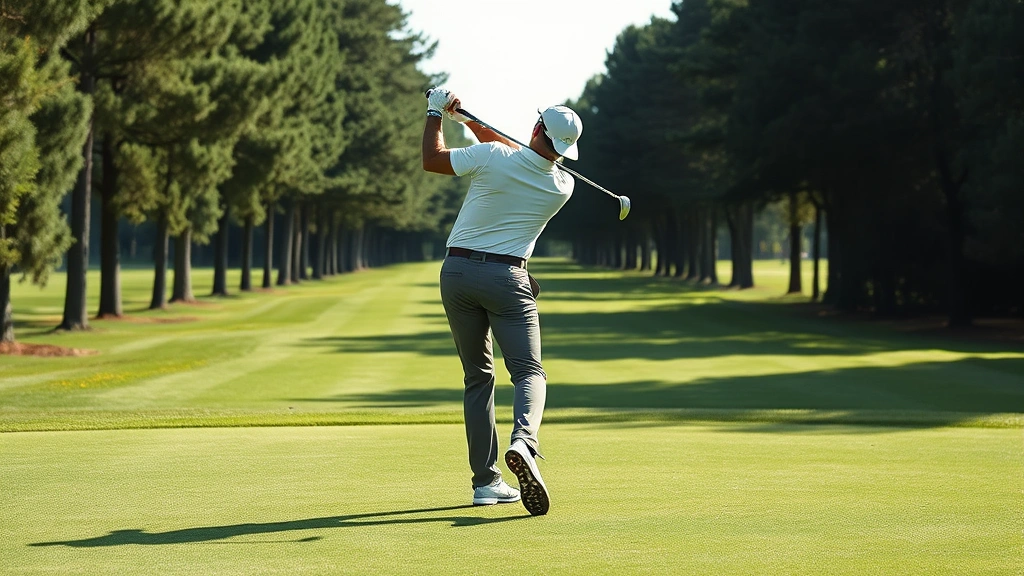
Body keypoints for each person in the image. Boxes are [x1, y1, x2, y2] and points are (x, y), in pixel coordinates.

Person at [421, 88, 583, 516]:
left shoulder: (492, 156)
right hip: (508, 279)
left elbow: (433, 160)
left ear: (536, 127)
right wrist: (469, 121)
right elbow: (517, 155)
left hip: (456, 273)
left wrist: (437, 113)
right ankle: (524, 443)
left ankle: (485, 482)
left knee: (478, 377)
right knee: (528, 371)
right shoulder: (562, 186)